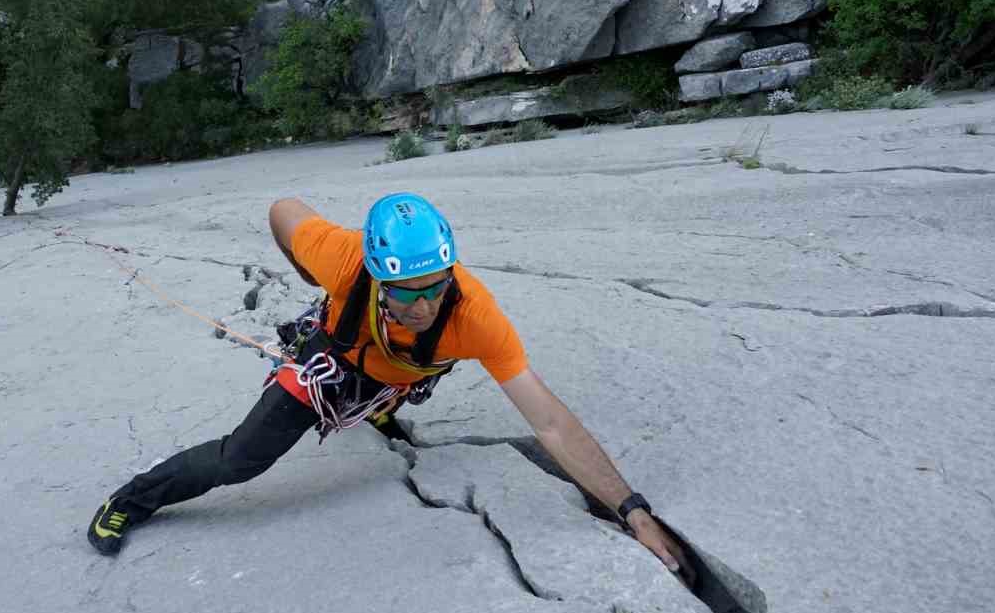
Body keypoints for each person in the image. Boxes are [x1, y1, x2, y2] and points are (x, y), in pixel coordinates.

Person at [88, 192, 687, 574]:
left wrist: (633, 511)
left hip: (394, 378)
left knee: (397, 377)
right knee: (241, 459)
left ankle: (377, 405)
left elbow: (550, 420)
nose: (424, 304)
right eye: (407, 292)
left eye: (436, 286)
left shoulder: (476, 317)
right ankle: (131, 500)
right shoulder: (344, 257)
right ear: (377, 275)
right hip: (327, 361)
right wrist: (313, 277)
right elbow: (283, 209)